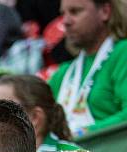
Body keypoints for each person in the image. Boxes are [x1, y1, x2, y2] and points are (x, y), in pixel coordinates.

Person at [49, 0, 127, 136]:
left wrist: (78, 133)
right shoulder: (62, 73)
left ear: (105, 11)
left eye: (75, 11)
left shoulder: (122, 53)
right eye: (63, 14)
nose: (65, 21)